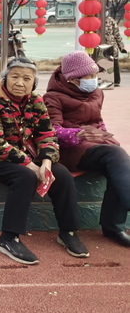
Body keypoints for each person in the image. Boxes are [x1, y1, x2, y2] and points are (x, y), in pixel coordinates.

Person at [0, 56, 89, 265]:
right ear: (5, 78)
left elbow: (46, 134)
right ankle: (8, 238)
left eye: (26, 78)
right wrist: (32, 166)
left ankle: (68, 232)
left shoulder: (36, 101)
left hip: (23, 151)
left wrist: (47, 162)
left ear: (34, 82)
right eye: (14, 76)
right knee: (25, 177)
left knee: (61, 174)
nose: (20, 83)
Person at [43, 51, 130, 247]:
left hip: (96, 146)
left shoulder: (97, 93)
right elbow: (52, 131)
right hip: (71, 150)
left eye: (95, 75)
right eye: (88, 76)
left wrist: (103, 134)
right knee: (115, 155)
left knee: (119, 163)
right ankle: (115, 223)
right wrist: (79, 134)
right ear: (72, 79)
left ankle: (113, 227)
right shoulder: (52, 97)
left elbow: (98, 121)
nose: (93, 80)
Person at [103, 15, 126, 86]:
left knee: (114, 63)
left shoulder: (111, 20)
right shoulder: (95, 20)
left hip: (112, 45)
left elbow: (117, 35)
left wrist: (121, 46)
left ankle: (116, 81)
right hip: (100, 46)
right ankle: (103, 80)